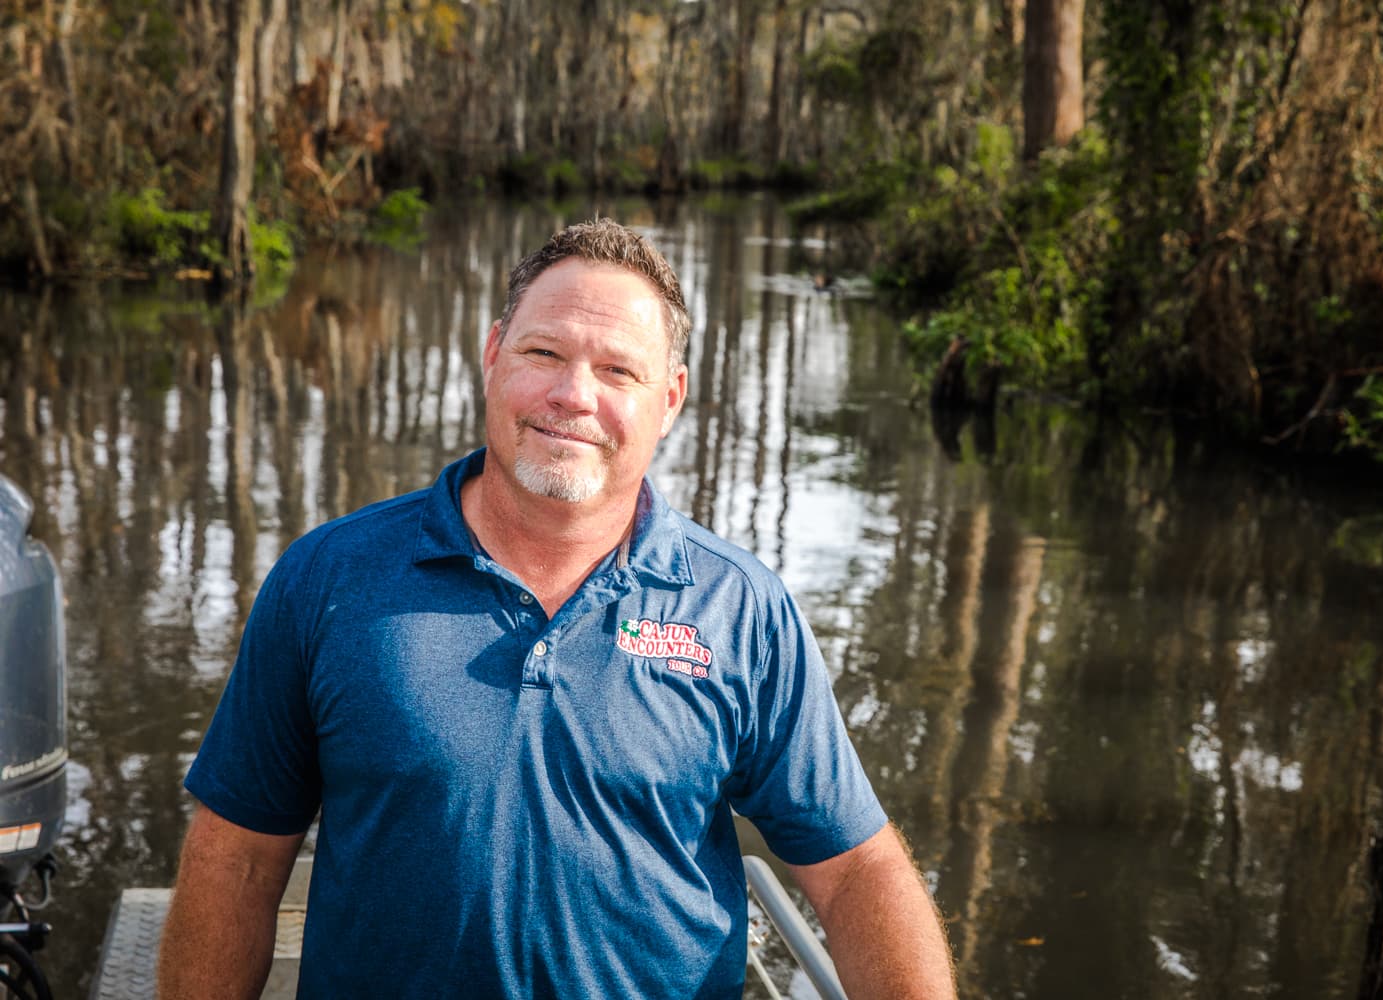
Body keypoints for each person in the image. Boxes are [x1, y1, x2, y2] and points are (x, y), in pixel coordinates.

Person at [158, 219, 957, 999]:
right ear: (493, 354)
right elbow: (239, 858)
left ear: (669, 399)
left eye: (618, 371)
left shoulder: (740, 610)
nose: (573, 395)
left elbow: (856, 870)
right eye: (544, 353)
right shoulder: (330, 578)